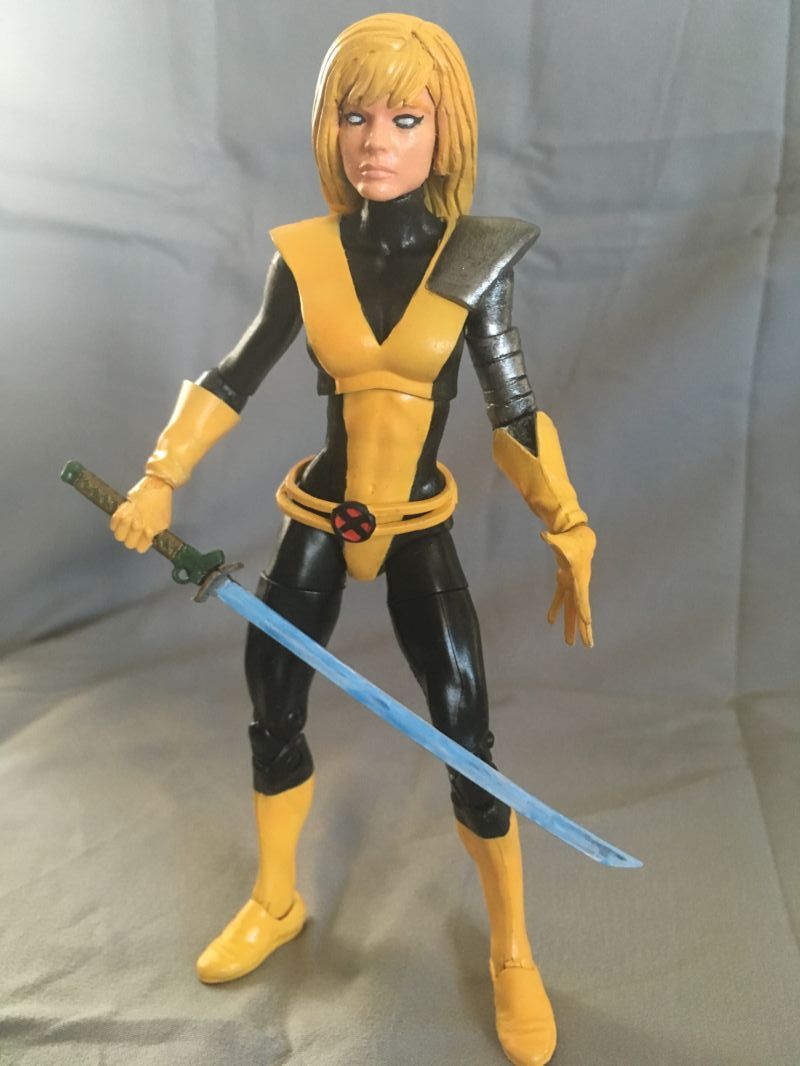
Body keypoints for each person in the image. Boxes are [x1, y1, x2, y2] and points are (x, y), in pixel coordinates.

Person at [110, 14, 595, 1065]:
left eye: (405, 119)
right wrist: (158, 477)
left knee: (465, 733)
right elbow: (234, 375)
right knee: (272, 707)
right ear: (329, 128)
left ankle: (511, 950)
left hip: (416, 524)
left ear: (444, 132)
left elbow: (512, 411)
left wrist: (566, 520)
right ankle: (276, 899)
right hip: (321, 518)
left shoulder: (475, 260)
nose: (376, 141)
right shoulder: (309, 256)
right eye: (355, 116)